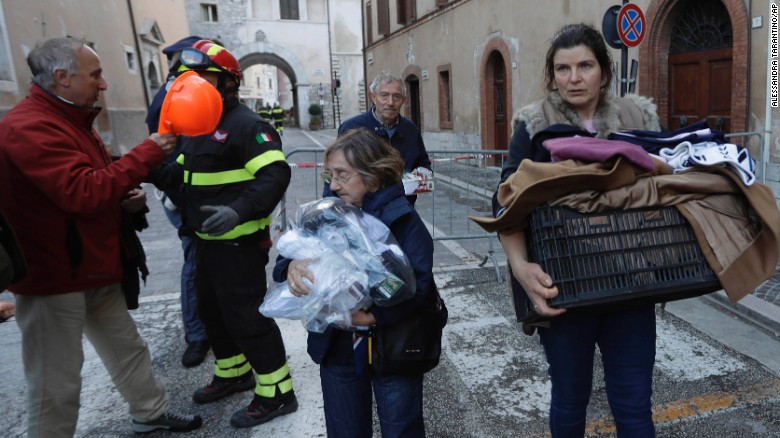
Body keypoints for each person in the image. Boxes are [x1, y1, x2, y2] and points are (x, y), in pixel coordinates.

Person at [0, 37, 202, 436]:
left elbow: (93, 181)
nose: (104, 83)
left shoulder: (67, 117)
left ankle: (150, 412)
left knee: (127, 350)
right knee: (55, 382)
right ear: (61, 77)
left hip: (92, 266)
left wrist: (127, 199)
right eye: (95, 75)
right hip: (54, 279)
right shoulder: (27, 127)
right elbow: (82, 192)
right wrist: (146, 154)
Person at [493, 24, 661, 437]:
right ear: (552, 75)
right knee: (570, 399)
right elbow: (504, 204)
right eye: (563, 68)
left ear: (603, 69)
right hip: (564, 287)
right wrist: (519, 267)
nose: (574, 78)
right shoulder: (534, 125)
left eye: (585, 65)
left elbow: (665, 188)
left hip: (632, 285)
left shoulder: (637, 116)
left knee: (635, 403)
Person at [147, 40, 298, 429]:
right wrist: (145, 162)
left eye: (202, 77)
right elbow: (179, 178)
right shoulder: (197, 127)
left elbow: (276, 173)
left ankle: (277, 391)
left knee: (248, 318)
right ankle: (233, 372)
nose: (192, 85)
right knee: (213, 313)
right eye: (188, 78)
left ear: (228, 82)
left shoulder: (247, 126)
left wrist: (238, 210)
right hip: (204, 243)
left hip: (239, 244)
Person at [274, 128, 436, 437]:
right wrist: (292, 267)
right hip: (338, 349)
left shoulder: (403, 220)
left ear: (372, 174)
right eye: (330, 175)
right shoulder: (323, 214)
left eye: (342, 175)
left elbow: (421, 288)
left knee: (401, 428)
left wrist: (375, 316)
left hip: (394, 348)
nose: (332, 184)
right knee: (345, 430)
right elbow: (285, 260)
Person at [145, 35, 211, 369]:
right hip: (185, 198)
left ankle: (207, 330)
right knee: (195, 264)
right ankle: (197, 335)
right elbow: (163, 151)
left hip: (199, 197)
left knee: (206, 265)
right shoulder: (173, 96)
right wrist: (180, 199)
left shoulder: (183, 92)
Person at [336, 72, 431, 204]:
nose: (390, 102)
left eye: (396, 97)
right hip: (362, 212)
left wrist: (418, 178)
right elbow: (336, 173)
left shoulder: (410, 130)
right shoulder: (352, 128)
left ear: (404, 100)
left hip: (401, 211)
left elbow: (423, 165)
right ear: (373, 97)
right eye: (384, 95)